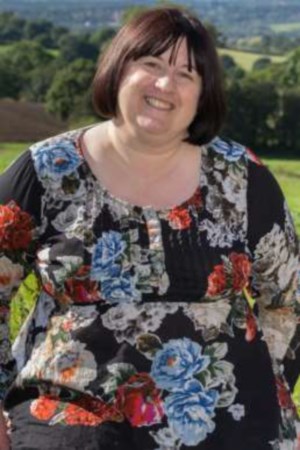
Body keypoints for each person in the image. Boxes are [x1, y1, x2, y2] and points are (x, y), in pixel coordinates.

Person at [0, 6, 299, 450]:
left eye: (186, 74)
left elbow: (288, 300)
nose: (165, 85)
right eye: (152, 64)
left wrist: (272, 396)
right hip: (73, 428)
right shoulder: (46, 171)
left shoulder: (243, 179)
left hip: (236, 429)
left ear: (203, 94)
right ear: (119, 70)